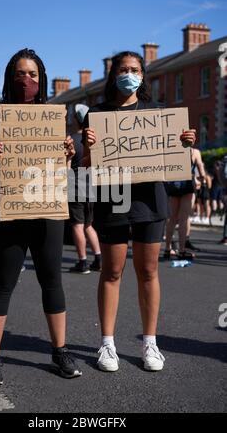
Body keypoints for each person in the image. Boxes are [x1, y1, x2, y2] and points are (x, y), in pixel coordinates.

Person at [82, 51, 196, 372]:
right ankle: (107, 344)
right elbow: (86, 166)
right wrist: (88, 148)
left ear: (143, 76)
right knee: (112, 271)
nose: (128, 74)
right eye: (123, 69)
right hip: (114, 198)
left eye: (134, 69)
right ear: (113, 74)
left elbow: (173, 154)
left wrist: (185, 141)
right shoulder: (97, 114)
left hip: (149, 200)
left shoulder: (159, 113)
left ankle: (150, 342)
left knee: (148, 272)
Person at [0, 48, 82, 385]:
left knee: (52, 278)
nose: (27, 80)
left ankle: (60, 350)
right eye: (21, 74)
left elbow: (62, 170)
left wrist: (69, 153)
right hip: (10, 211)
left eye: (33, 74)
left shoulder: (52, 116)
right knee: (4, 281)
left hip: (48, 210)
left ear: (43, 79)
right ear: (10, 77)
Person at [68, 104, 101, 274]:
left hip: (75, 187)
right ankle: (98, 257)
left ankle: (82, 262)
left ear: (76, 120)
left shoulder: (71, 140)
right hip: (91, 187)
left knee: (77, 225)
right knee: (88, 225)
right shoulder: (93, 142)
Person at [165, 147, 205, 259]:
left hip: (173, 182)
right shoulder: (194, 152)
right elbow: (201, 170)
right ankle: (182, 250)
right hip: (187, 183)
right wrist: (201, 180)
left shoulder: (171, 148)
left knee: (172, 218)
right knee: (184, 218)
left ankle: (168, 249)